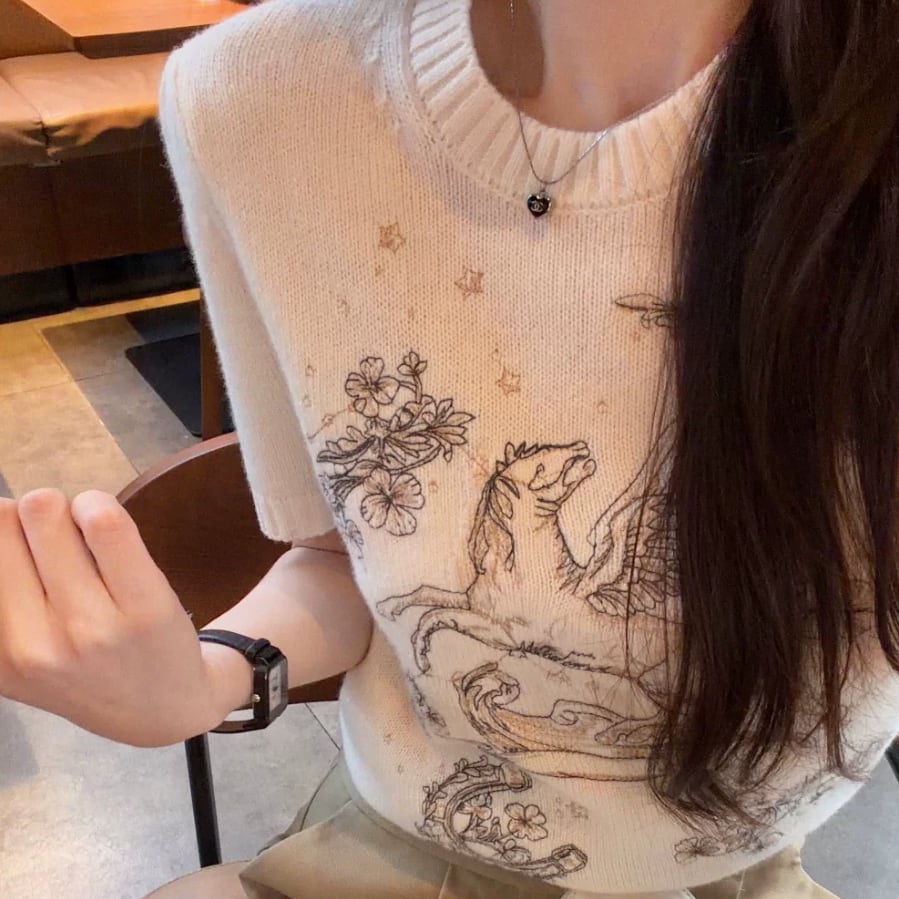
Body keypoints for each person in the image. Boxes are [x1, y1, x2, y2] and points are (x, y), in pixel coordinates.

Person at [1, 0, 897, 896]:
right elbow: (340, 556)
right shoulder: (255, 97)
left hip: (747, 865)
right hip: (400, 851)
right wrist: (212, 677)